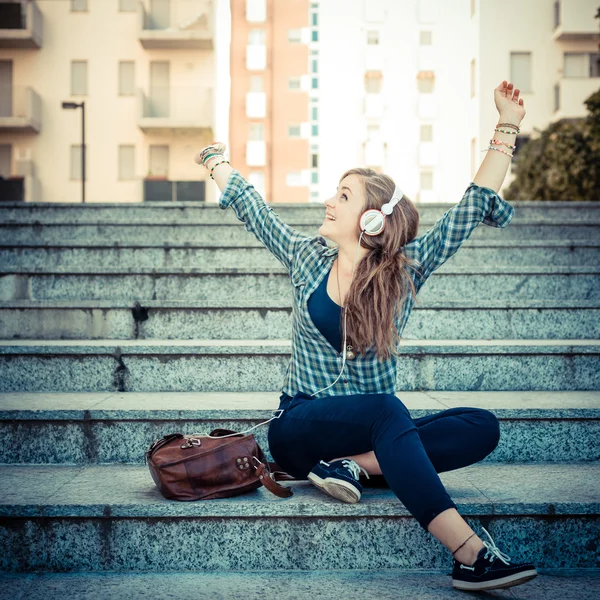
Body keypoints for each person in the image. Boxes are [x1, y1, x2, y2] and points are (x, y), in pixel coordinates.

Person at [195, 80, 537, 592]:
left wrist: (506, 123)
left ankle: (352, 467)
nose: (330, 201)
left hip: (368, 432)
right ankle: (468, 553)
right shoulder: (307, 256)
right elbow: (253, 209)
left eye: (344, 195)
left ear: (372, 219)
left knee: (481, 426)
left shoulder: (403, 274)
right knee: (387, 409)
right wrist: (213, 159)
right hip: (299, 426)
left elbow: (471, 206)